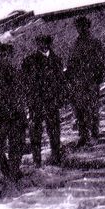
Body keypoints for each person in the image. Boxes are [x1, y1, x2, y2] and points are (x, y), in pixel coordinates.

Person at [21, 34, 67, 166]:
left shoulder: (56, 60)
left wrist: (61, 98)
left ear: (48, 44)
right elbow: (25, 83)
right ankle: (37, 161)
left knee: (54, 131)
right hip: (36, 103)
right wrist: (30, 99)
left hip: (52, 102)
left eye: (44, 42)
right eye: (39, 42)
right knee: (36, 133)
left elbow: (61, 82)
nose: (42, 45)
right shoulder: (29, 61)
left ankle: (56, 158)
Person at [0, 36, 28, 180]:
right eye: (0, 55)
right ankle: (8, 173)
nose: (3, 58)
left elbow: (21, 95)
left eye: (6, 55)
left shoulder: (18, 74)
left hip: (16, 117)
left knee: (16, 149)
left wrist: (14, 109)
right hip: (0, 118)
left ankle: (14, 174)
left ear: (10, 56)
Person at [66, 16, 105, 147]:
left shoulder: (96, 42)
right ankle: (83, 135)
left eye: (83, 26)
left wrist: (99, 77)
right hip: (77, 81)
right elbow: (70, 63)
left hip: (91, 80)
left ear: (87, 26)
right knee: (79, 109)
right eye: (78, 26)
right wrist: (69, 77)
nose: (81, 29)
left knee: (92, 107)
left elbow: (104, 61)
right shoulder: (75, 44)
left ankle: (95, 133)